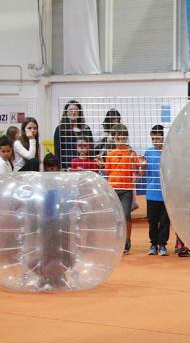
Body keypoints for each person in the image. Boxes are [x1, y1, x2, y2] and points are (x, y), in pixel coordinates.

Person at [96, 124, 142, 254]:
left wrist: (134, 162)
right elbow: (107, 172)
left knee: (126, 215)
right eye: (117, 138)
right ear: (113, 139)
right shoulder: (110, 154)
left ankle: (127, 241)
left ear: (126, 139)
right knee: (114, 217)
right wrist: (101, 164)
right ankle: (117, 240)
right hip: (113, 189)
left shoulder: (131, 153)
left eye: (123, 138)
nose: (120, 141)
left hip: (126, 189)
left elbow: (138, 171)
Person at [143, 125, 170, 256]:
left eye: (158, 138)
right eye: (153, 138)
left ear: (163, 138)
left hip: (165, 194)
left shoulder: (168, 152)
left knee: (165, 221)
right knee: (152, 221)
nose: (156, 141)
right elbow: (142, 171)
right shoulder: (147, 152)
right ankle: (153, 244)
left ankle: (163, 245)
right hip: (151, 194)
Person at [54, 100, 93, 170]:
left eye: (76, 110)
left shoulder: (86, 128)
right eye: (71, 110)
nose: (73, 112)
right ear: (66, 112)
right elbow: (57, 151)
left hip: (83, 165)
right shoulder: (60, 129)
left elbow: (91, 148)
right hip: (66, 166)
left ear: (79, 113)